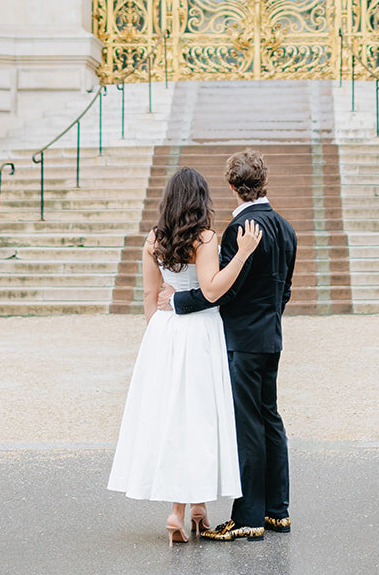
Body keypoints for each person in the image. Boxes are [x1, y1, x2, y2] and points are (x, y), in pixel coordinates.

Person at [108, 167, 263, 544]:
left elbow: (150, 296)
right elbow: (210, 291)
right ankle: (186, 509)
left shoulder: (153, 239)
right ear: (200, 199)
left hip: (164, 331)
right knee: (199, 415)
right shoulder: (206, 238)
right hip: (200, 331)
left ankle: (194, 510)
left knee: (173, 416)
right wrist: (241, 256)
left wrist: (157, 338)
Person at [159, 148, 297, 542]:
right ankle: (277, 511)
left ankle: (249, 515)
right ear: (264, 181)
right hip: (270, 336)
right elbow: (283, 291)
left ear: (233, 186)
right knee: (270, 419)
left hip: (240, 340)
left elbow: (221, 290)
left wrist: (178, 302)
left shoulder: (241, 230)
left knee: (248, 426)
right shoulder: (286, 228)